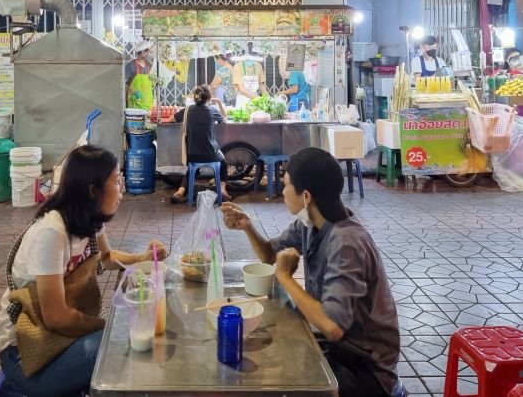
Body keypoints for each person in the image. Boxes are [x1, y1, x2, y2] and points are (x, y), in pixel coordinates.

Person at [221, 147, 401, 397]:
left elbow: (332, 326)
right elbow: (270, 255)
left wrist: (285, 277)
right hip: (337, 349)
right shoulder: (311, 224)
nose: (282, 192)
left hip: (364, 368)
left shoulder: (347, 243)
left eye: (285, 186)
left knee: (270, 383)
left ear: (306, 196)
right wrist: (248, 227)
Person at [0, 145, 168, 397]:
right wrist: (108, 326)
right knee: (126, 344)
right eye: (117, 181)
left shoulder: (88, 218)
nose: (123, 189)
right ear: (92, 191)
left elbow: (107, 257)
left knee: (132, 340)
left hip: (58, 339)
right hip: (27, 353)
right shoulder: (52, 232)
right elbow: (56, 318)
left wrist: (143, 257)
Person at [169, 84, 230, 203]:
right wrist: (217, 102)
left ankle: (180, 191)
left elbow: (172, 119)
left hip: (192, 154)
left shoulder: (187, 109)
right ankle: (222, 189)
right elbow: (224, 119)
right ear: (208, 98)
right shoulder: (212, 110)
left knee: (192, 169)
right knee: (223, 162)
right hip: (211, 154)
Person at [125, 39, 155, 111]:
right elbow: (122, 84)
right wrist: (131, 91)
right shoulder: (131, 65)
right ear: (142, 52)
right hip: (134, 103)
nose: (149, 53)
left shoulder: (149, 66)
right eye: (148, 51)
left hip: (148, 104)